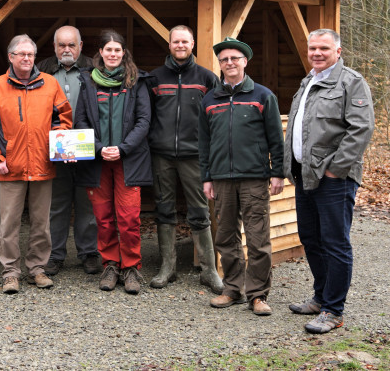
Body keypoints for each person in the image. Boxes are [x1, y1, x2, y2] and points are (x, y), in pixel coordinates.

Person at [284, 29, 374, 334]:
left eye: (324, 48)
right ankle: (320, 297)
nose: (317, 53)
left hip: (334, 179)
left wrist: (336, 169)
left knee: (335, 243)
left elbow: (361, 128)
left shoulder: (351, 81)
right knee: (311, 239)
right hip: (304, 175)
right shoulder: (308, 81)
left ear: (337, 51)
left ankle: (334, 310)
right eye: (313, 48)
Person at [0, 35, 72, 295]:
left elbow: (65, 118)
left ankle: (37, 269)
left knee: (41, 222)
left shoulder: (50, 84)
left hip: (43, 164)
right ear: (11, 57)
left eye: (30, 54)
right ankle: (10, 273)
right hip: (11, 166)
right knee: (9, 223)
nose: (27, 58)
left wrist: (57, 145)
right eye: (21, 54)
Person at [198, 37, 284, 316]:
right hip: (221, 178)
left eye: (235, 58)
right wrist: (206, 177)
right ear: (220, 65)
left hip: (254, 177)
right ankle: (232, 289)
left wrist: (277, 173)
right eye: (224, 59)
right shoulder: (210, 100)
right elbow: (204, 142)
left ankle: (258, 295)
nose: (230, 63)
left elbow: (275, 139)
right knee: (225, 236)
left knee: (258, 238)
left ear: (245, 62)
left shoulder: (262, 96)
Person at [74, 30, 152, 294]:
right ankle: (110, 264)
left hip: (128, 160)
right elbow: (81, 120)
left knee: (129, 218)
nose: (113, 54)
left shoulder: (137, 81)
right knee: (103, 218)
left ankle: (131, 267)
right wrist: (98, 148)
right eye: (109, 50)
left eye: (118, 50)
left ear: (124, 53)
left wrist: (123, 148)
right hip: (97, 161)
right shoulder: (88, 81)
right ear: (101, 53)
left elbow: (144, 121)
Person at [147, 25, 223, 294]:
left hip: (195, 156)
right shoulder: (155, 79)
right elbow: (147, 117)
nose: (180, 45)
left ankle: (209, 270)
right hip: (161, 155)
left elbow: (217, 118)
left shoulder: (207, 78)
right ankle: (168, 268)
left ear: (193, 44)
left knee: (200, 211)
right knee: (164, 209)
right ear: (169, 45)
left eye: (185, 41)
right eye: (175, 41)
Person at [36, 26, 100, 277]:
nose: (66, 50)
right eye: (61, 45)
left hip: (87, 146)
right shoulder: (41, 69)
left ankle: (89, 253)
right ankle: (54, 254)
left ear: (81, 45)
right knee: (57, 204)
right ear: (54, 47)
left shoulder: (94, 69)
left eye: (71, 45)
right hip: (55, 147)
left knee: (88, 203)